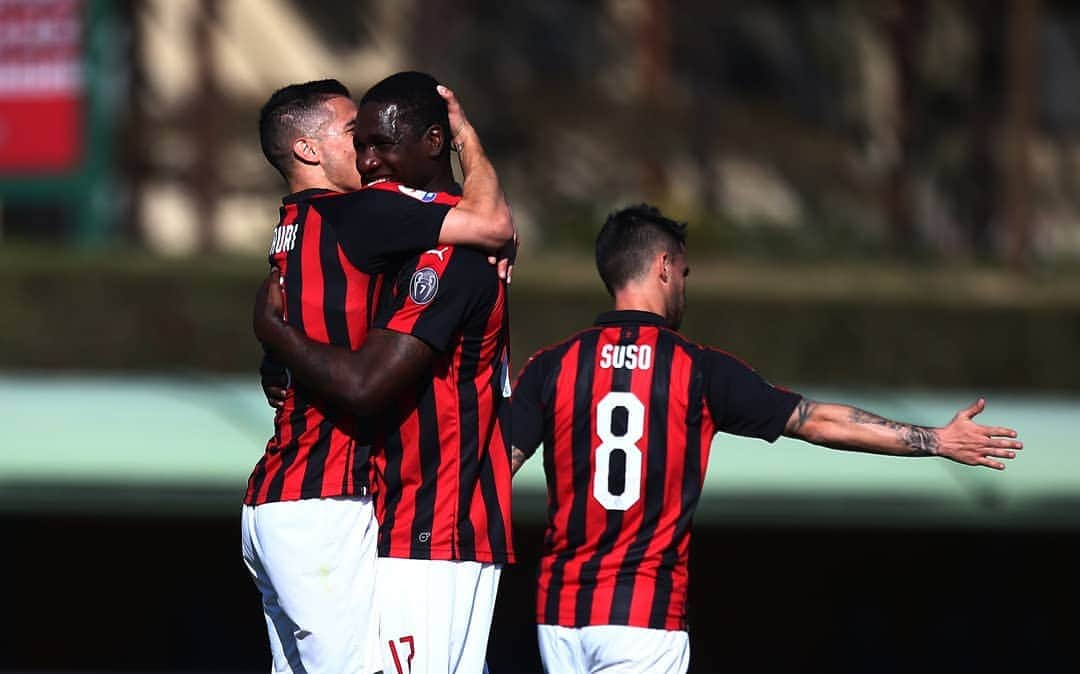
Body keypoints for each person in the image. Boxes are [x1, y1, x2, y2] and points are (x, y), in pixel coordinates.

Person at [510, 204, 1023, 674]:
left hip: (559, 618)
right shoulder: (697, 370)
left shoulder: (551, 366)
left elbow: (494, 468)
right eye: (684, 273)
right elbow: (817, 420)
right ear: (664, 266)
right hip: (643, 616)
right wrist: (936, 439)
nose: (685, 286)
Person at [242, 75, 513, 674]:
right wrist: (467, 137)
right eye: (350, 135)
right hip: (321, 502)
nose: (368, 158)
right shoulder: (362, 212)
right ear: (309, 150)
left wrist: (278, 355)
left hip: (274, 499)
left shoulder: (291, 223)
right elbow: (492, 223)